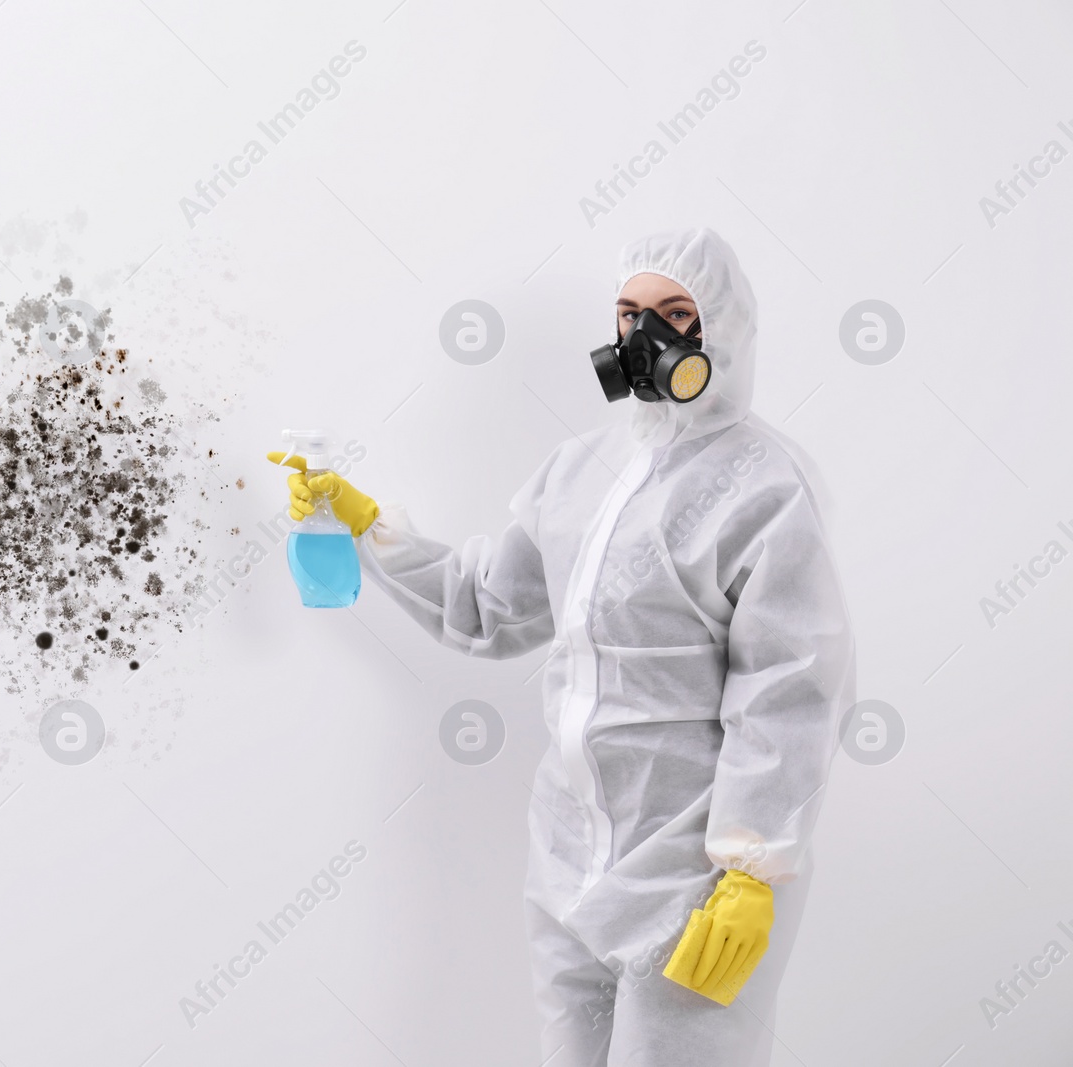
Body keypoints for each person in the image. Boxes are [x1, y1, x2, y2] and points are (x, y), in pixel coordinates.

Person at [268, 229, 855, 1065]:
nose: (644, 337)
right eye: (628, 314)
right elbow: (488, 609)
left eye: (675, 314)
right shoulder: (579, 470)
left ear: (723, 329)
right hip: (567, 870)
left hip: (696, 881)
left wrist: (752, 866)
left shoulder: (763, 486)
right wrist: (367, 525)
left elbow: (792, 687)